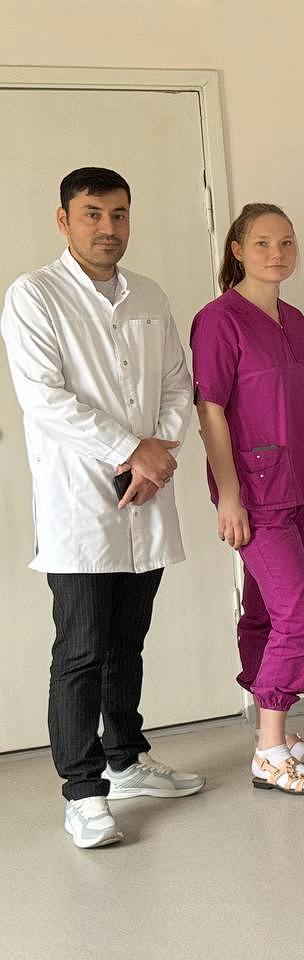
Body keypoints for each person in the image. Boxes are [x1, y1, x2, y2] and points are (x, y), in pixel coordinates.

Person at [1, 167, 204, 848]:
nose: (108, 228)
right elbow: (44, 398)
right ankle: (84, 792)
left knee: (127, 642)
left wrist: (157, 453)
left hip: (145, 492)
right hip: (80, 502)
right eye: (92, 214)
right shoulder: (34, 294)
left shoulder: (148, 294)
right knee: (82, 650)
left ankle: (126, 759)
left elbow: (176, 383)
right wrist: (132, 450)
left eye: (118, 214)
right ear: (64, 220)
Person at [190, 203, 304, 795]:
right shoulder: (218, 320)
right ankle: (270, 753)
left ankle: (274, 731)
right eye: (264, 243)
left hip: (297, 484)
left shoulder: (293, 319)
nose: (277, 253)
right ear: (238, 250)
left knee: (267, 612)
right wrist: (229, 494)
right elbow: (210, 410)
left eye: (287, 242)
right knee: (301, 618)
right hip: (253, 491)